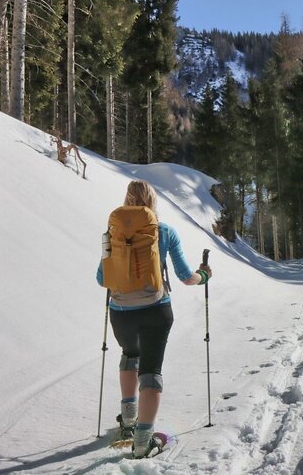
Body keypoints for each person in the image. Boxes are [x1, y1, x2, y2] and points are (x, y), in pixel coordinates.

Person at [96, 180, 211, 457]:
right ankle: (143, 441)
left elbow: (101, 278)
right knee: (150, 370)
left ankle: (128, 422)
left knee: (129, 355)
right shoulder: (165, 231)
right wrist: (204, 275)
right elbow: (186, 277)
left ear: (127, 200)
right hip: (156, 310)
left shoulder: (112, 232)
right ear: (153, 202)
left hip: (120, 312)